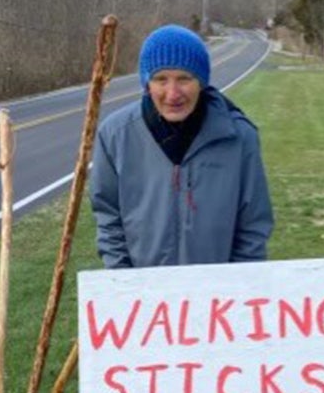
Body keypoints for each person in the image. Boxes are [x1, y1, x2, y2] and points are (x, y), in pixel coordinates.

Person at [91, 24, 273, 268]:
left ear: (201, 81)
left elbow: (252, 226)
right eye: (161, 79)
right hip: (144, 297)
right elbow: (108, 218)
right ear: (147, 83)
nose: (172, 93)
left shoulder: (239, 137)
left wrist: (237, 287)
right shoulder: (115, 135)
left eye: (184, 79)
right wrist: (123, 280)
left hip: (219, 297)